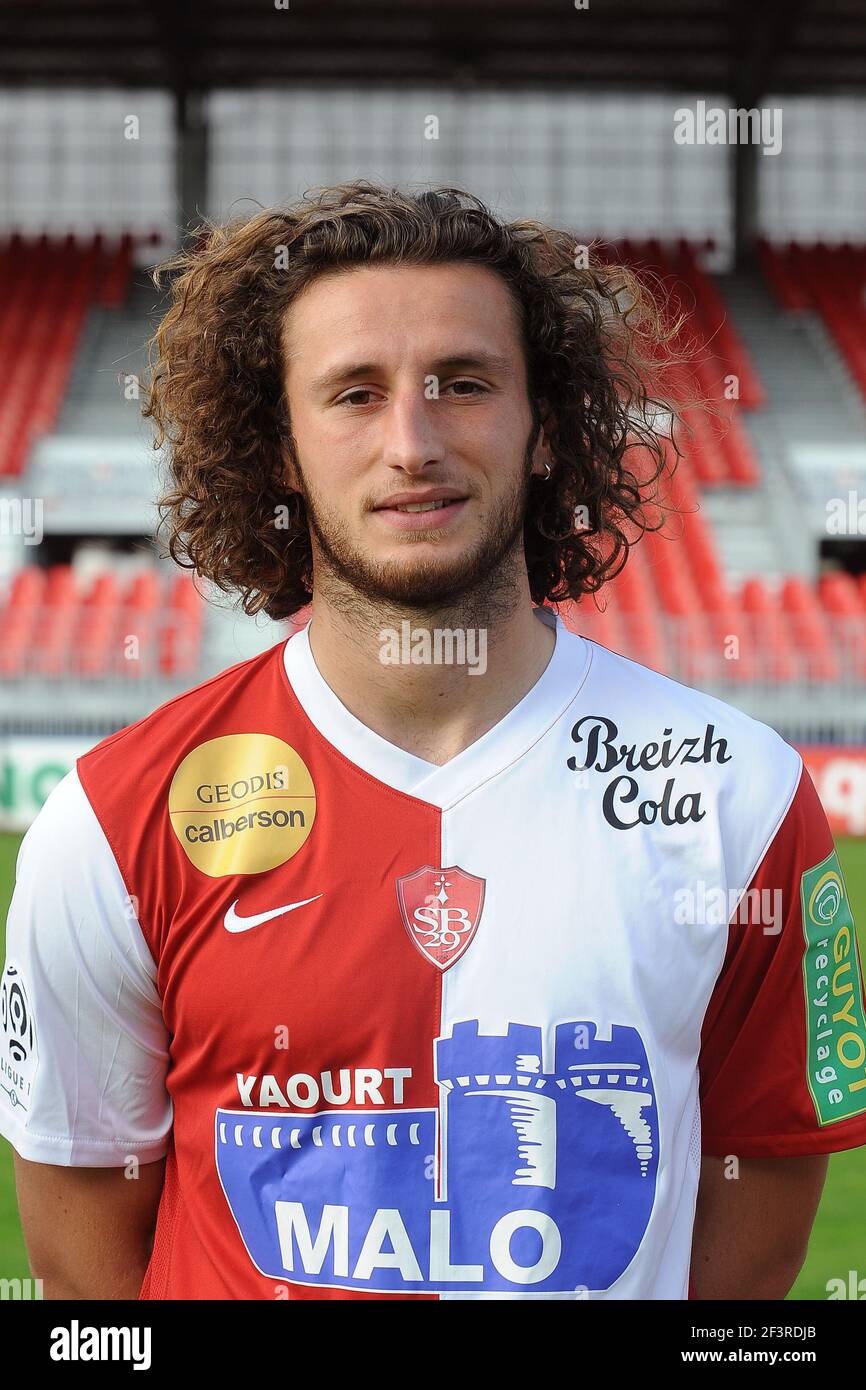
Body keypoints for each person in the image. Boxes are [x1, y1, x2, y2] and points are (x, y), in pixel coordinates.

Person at [2, 182, 865, 1301]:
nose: (411, 443)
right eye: (353, 394)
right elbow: (84, 1265)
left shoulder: (737, 800)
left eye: (462, 384)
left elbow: (752, 1219)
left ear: (543, 424)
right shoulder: (110, 825)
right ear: (279, 449)